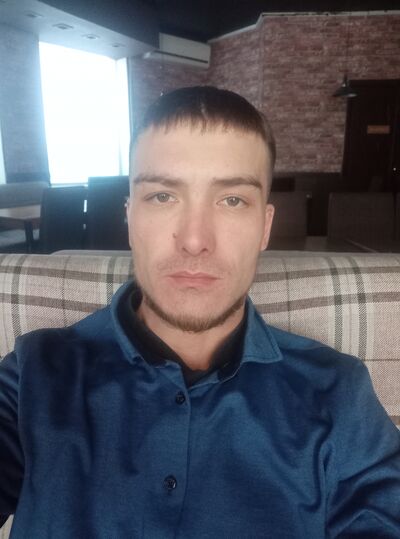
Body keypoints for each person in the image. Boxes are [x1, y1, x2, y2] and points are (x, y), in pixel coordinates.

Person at [0, 86, 399, 538]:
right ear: (130, 219)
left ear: (265, 227)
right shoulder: (33, 375)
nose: (194, 240)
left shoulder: (338, 392)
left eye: (232, 200)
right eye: (162, 197)